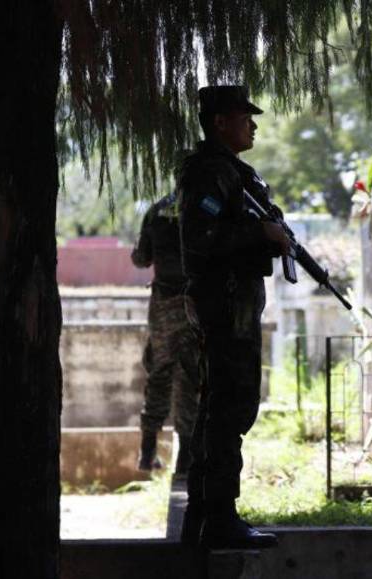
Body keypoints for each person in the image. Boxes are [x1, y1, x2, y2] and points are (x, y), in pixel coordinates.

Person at [177, 85, 291, 550]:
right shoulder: (209, 172)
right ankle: (218, 519)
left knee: (226, 408)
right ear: (220, 121)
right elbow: (199, 240)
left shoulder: (233, 173)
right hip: (223, 306)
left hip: (235, 304)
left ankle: (206, 516)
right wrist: (258, 231)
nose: (254, 124)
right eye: (245, 116)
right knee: (228, 407)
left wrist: (270, 232)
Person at [131, 191, 200, 476]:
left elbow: (141, 259)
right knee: (190, 377)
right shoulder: (205, 206)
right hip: (194, 305)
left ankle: (148, 452)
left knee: (159, 373)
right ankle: (185, 458)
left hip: (162, 307)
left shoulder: (158, 210)